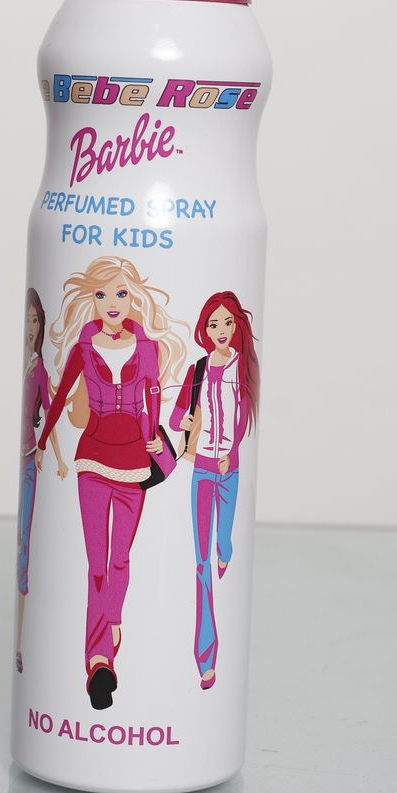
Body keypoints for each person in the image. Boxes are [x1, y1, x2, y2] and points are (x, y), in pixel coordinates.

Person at [36, 257, 186, 709]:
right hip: (92, 460)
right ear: (93, 300)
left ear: (132, 297)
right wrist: (41, 442)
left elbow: (153, 397)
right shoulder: (84, 348)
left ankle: (112, 617)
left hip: (134, 464)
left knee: (120, 559)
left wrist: (154, 440)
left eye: (121, 293)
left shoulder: (147, 349)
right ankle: (99, 661)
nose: (112, 302)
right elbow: (61, 397)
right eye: (102, 294)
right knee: (96, 564)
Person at [170, 292, 259, 689]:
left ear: (236, 325)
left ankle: (227, 546)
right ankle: (206, 656)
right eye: (213, 324)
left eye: (227, 323)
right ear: (204, 330)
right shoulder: (199, 369)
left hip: (230, 470)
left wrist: (231, 452)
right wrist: (186, 421)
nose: (220, 330)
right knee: (201, 562)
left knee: (223, 541)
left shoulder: (244, 367)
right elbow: (177, 416)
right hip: (203, 471)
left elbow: (241, 419)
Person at [15, 288, 66, 674]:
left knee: (26, 552)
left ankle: (21, 646)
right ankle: (22, 646)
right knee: (22, 547)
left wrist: (57, 456)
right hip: (23, 458)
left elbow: (51, 414)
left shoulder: (40, 369)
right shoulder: (26, 365)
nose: (31, 326)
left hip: (31, 460)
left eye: (36, 320)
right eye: (28, 319)